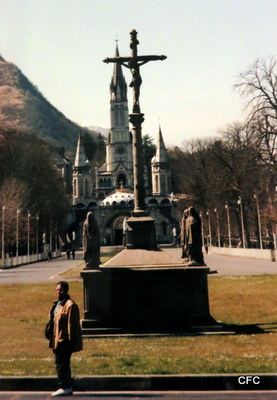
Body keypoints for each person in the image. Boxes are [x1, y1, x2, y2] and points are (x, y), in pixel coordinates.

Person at [47, 281, 83, 397]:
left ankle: (65, 386)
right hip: (56, 339)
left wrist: (72, 342)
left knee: (62, 364)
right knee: (60, 363)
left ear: (66, 291)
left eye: (60, 290)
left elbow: (72, 325)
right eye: (56, 290)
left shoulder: (70, 305)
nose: (58, 292)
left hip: (64, 341)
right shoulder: (57, 304)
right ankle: (66, 385)